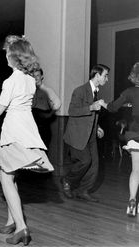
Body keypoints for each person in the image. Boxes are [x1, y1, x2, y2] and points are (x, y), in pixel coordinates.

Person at [0, 35, 54, 246]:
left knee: (4, 176)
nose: (6, 58)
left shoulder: (11, 80)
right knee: (10, 176)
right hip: (27, 129)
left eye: (8, 54)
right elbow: (16, 102)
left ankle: (21, 227)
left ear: (15, 57)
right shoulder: (29, 79)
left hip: (13, 131)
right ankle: (12, 221)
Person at [62, 64, 109, 202]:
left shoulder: (96, 92)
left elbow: (92, 114)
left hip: (91, 134)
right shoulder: (80, 90)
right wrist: (91, 107)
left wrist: (97, 126)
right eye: (105, 75)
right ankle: (67, 180)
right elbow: (72, 111)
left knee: (94, 165)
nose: (107, 79)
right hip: (78, 135)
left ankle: (83, 190)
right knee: (85, 161)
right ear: (97, 75)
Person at [99, 62, 139, 216]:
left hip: (135, 135)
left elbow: (113, 107)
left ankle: (132, 200)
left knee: (135, 170)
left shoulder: (129, 91)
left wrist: (103, 104)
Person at [32, 68, 61, 147]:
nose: (36, 78)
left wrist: (49, 114)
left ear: (42, 77)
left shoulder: (48, 90)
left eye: (38, 75)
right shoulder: (30, 90)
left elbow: (58, 103)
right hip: (32, 125)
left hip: (43, 125)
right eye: (33, 76)